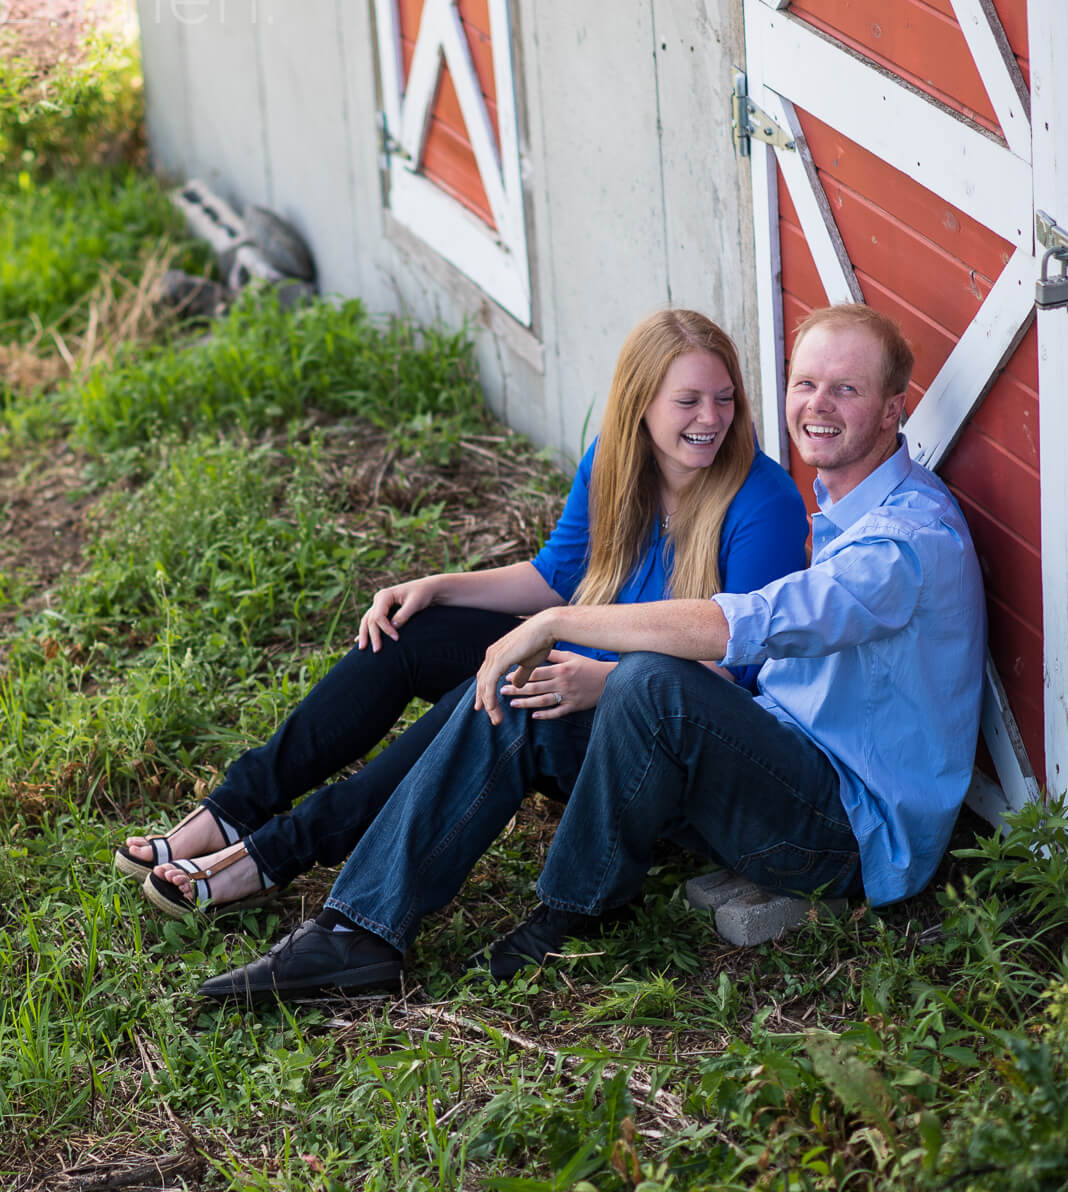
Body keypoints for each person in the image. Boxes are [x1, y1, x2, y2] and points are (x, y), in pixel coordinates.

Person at [200, 301, 987, 1006]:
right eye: (805, 383)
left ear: (893, 409)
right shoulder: (844, 510)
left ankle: (572, 908)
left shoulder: (903, 545)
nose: (817, 404)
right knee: (523, 695)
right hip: (771, 767)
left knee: (651, 681)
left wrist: (554, 625)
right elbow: (564, 576)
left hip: (842, 832)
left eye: (845, 389)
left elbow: (741, 625)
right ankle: (358, 931)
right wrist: (519, 632)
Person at [116, 308, 808, 918]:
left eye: (724, 398)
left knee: (497, 687)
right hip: (576, 671)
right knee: (410, 632)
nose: (711, 418)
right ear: (640, 406)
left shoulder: (762, 502)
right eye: (688, 400)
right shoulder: (615, 464)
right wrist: (438, 586)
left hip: (644, 736)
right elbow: (553, 577)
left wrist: (604, 682)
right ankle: (234, 809)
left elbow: (736, 680)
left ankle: (274, 854)